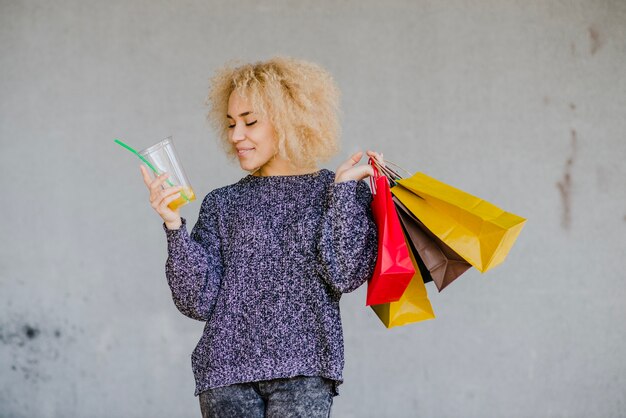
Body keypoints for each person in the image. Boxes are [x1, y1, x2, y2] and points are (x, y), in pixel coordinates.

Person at [140, 56, 382, 418]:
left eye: (250, 122)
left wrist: (345, 193)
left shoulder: (335, 193)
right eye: (231, 123)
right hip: (225, 375)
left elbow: (345, 274)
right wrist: (174, 226)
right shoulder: (223, 202)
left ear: (290, 121)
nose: (237, 136)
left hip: (305, 370)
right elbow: (198, 303)